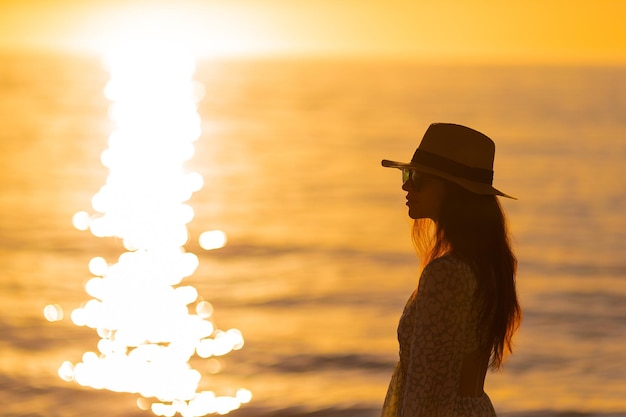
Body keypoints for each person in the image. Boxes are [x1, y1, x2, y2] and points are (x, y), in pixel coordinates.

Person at [380, 123, 521, 417]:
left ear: (453, 191)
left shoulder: (447, 275)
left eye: (417, 178)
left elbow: (430, 391)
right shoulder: (482, 264)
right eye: (407, 175)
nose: (406, 186)